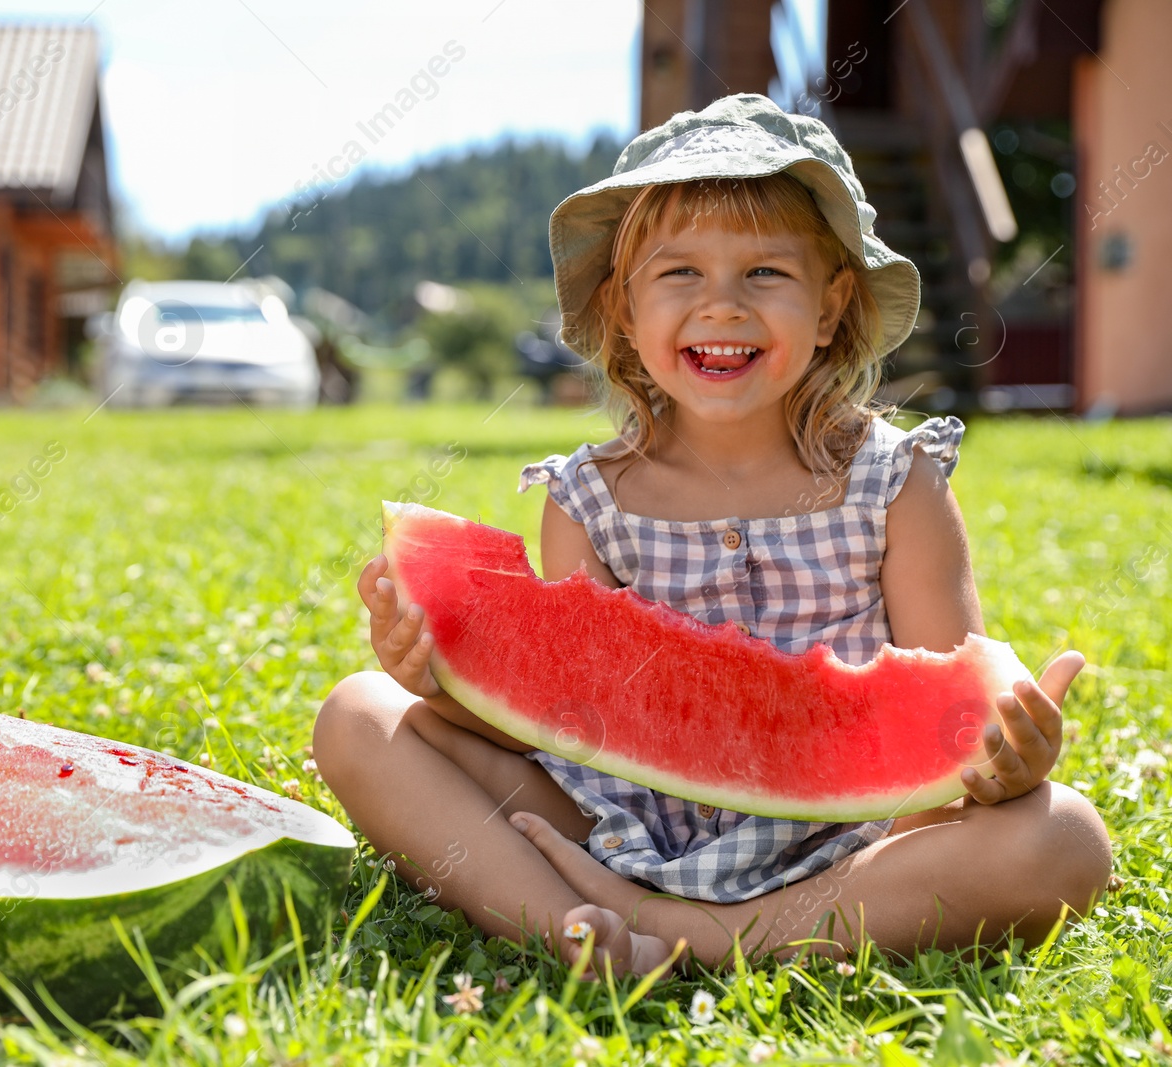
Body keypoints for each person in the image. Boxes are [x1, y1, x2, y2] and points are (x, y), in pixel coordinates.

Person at [312, 94, 1111, 982]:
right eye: (679, 272)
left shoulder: (897, 483)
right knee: (358, 716)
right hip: (620, 829)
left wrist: (1008, 760)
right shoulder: (588, 498)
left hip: (850, 849)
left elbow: (952, 722)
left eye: (765, 272)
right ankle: (573, 926)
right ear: (622, 307)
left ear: (832, 303)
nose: (721, 305)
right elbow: (558, 723)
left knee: (1064, 837)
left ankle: (693, 935)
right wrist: (439, 676)